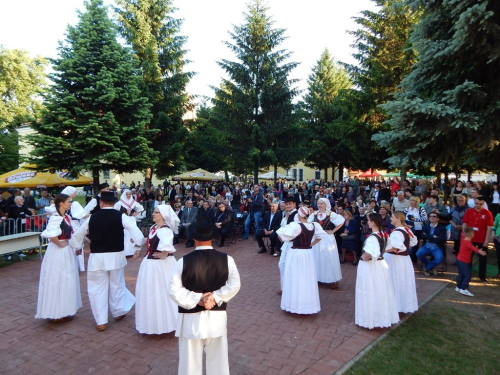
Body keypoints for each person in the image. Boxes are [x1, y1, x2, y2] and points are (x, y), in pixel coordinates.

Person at [168, 216, 241, 375]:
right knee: (218, 362)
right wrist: (214, 298)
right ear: (214, 237)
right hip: (217, 317)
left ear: (194, 237)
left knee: (190, 364)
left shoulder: (182, 261)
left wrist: (198, 300)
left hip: (190, 319)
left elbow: (174, 290)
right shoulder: (227, 260)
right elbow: (234, 284)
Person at [70, 191, 144, 331]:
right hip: (116, 256)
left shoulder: (92, 218)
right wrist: (137, 246)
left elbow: (78, 235)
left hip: (97, 258)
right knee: (117, 285)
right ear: (113, 203)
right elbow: (135, 231)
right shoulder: (120, 216)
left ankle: (101, 320)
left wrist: (77, 247)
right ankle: (118, 312)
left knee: (97, 289)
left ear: (101, 202)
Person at [36, 194, 82, 322]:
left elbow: (71, 234)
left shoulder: (66, 217)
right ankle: (55, 311)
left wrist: (75, 246)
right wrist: (59, 243)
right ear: (61, 203)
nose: (70, 203)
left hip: (67, 251)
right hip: (58, 252)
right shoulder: (55, 217)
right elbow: (51, 235)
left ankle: (66, 309)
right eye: (69, 201)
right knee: (57, 279)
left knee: (67, 279)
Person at [135, 204, 179, 334]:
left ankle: (167, 324)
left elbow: (167, 243)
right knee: (151, 293)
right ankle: (152, 324)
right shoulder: (154, 227)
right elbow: (149, 240)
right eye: (154, 212)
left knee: (162, 292)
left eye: (156, 212)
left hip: (161, 266)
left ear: (163, 216)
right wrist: (138, 247)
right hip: (150, 265)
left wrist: (165, 253)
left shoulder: (165, 230)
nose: (153, 214)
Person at [277, 207, 327, 314]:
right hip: (308, 253)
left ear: (299, 216)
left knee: (294, 276)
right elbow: (320, 236)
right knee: (306, 277)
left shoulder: (296, 226)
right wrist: (310, 244)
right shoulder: (314, 225)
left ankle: (294, 305)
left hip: (295, 252)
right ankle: (307, 305)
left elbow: (282, 236)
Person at [355, 213, 399, 329]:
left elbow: (368, 254)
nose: (367, 222)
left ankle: (371, 320)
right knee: (381, 290)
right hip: (380, 264)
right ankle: (382, 317)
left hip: (370, 266)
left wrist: (364, 257)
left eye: (368, 220)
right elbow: (392, 248)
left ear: (373, 222)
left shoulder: (373, 237)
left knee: (369, 290)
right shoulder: (384, 234)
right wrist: (380, 252)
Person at [384, 212, 419, 313]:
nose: (390, 219)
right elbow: (413, 241)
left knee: (395, 280)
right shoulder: (406, 229)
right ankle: (403, 305)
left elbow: (396, 246)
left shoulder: (397, 232)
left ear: (398, 219)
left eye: (392, 217)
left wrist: (382, 250)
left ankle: (395, 305)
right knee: (403, 281)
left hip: (396, 260)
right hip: (404, 259)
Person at [308, 198, 343, 288]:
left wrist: (333, 231)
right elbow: (308, 224)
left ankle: (333, 280)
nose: (319, 205)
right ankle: (318, 278)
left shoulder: (331, 214)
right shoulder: (314, 214)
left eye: (321, 204)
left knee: (329, 258)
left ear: (326, 204)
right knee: (317, 258)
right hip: (316, 238)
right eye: (318, 203)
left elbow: (341, 221)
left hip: (327, 239)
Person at [462, 196, 493, 282]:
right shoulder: (469, 211)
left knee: (483, 258)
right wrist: (465, 235)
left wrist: (487, 241)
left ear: (483, 204)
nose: (478, 205)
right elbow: (465, 224)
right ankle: (467, 275)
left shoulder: (487, 213)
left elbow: (489, 228)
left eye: (480, 204)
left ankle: (482, 277)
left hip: (482, 239)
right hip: (470, 239)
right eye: (476, 203)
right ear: (474, 202)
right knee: (468, 258)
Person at [455, 227, 487, 297]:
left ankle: (458, 286)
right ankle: (463, 288)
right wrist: (480, 252)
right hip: (464, 261)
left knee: (461, 274)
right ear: (471, 234)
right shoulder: (468, 243)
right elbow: (474, 248)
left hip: (459, 260)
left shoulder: (463, 239)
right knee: (467, 275)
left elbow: (463, 233)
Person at [114, 189, 145, 257]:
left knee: (132, 234)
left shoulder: (133, 202)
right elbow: (115, 210)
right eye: (127, 194)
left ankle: (132, 250)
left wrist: (134, 215)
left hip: (131, 219)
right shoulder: (120, 203)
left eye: (129, 194)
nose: (128, 195)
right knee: (125, 235)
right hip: (124, 219)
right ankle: (125, 251)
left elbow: (140, 208)